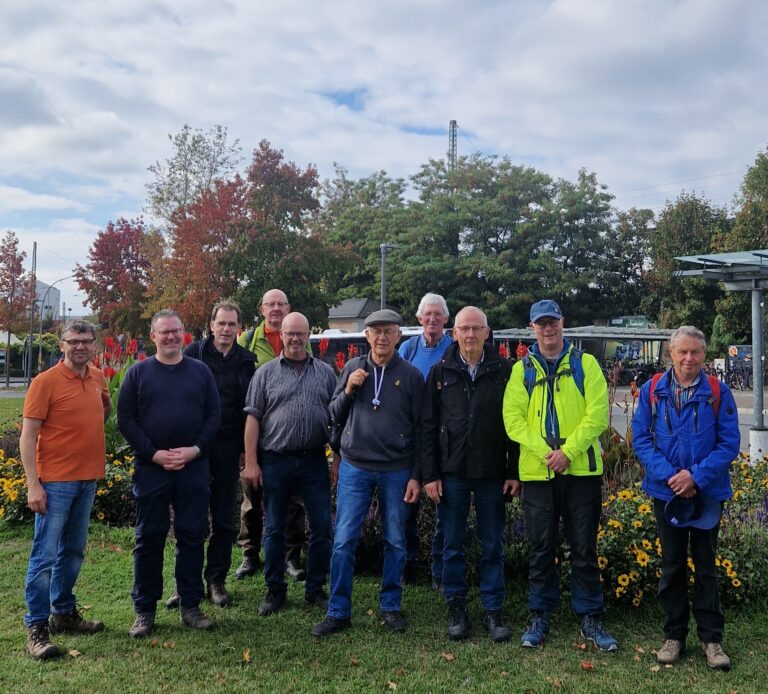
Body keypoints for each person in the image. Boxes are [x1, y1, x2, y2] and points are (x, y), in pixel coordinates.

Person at [503, 299, 618, 651]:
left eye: (553, 322)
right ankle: (539, 614)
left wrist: (567, 453)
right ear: (532, 328)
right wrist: (546, 454)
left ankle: (590, 617)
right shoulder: (521, 370)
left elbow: (598, 414)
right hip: (538, 474)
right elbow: (513, 420)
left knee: (584, 547)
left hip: (580, 471)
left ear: (562, 324)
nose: (548, 328)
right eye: (541, 323)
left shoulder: (586, 365)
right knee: (541, 547)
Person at [632, 325, 739, 670]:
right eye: (682, 352)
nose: (688, 358)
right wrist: (671, 477)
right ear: (671, 354)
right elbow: (641, 439)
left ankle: (711, 639)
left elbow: (729, 444)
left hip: (707, 493)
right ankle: (674, 635)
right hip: (667, 494)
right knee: (672, 566)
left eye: (695, 352)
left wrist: (695, 476)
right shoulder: (652, 391)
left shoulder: (717, 392)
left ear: (703, 355)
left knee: (706, 567)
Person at [312, 309, 423, 637]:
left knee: (395, 540)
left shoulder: (412, 376)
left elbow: (422, 429)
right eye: (376, 331)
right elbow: (332, 414)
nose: (382, 337)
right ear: (367, 336)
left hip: (396, 469)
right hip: (355, 467)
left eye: (389, 331)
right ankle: (338, 611)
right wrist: (348, 390)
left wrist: (417, 474)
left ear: (398, 336)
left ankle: (390, 607)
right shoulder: (352, 368)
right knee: (344, 540)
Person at [118, 309, 221, 638]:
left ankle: (190, 605)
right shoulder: (138, 373)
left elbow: (213, 416)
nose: (171, 336)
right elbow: (126, 420)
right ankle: (145, 610)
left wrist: (195, 450)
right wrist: (154, 454)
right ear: (153, 336)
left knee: (191, 536)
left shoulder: (201, 372)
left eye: (176, 331)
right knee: (149, 538)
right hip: (152, 469)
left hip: (193, 467)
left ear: (184, 334)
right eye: (164, 332)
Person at [421, 307, 520, 642]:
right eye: (464, 329)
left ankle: (494, 609)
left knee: (493, 544)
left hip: (492, 472)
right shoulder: (440, 371)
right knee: (453, 544)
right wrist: (430, 474)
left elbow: (515, 426)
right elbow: (428, 427)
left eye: (477, 329)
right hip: (452, 473)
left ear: (487, 333)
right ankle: (456, 606)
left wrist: (513, 470)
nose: (471, 335)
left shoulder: (505, 371)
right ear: (454, 333)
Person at [20, 321, 110, 660]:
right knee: (45, 555)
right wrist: (33, 483)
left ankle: (63, 612)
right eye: (73, 341)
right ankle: (37, 627)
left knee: (73, 551)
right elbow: (28, 436)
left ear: (94, 345)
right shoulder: (45, 383)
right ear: (62, 345)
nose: (80, 347)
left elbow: (104, 408)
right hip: (55, 482)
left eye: (86, 341)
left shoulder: (97, 376)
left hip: (87, 478)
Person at [242, 312, 337, 618]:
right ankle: (275, 590)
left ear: (309, 335)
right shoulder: (265, 374)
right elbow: (253, 418)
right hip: (275, 460)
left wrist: (337, 458)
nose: (295, 339)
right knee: (274, 528)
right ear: (280, 335)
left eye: (300, 333)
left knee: (322, 527)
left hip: (313, 460)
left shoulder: (325, 373)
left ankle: (315, 589)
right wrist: (252, 462)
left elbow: (338, 418)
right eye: (289, 334)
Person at [162, 301, 255, 608]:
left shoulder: (246, 361)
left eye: (232, 324)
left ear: (238, 328)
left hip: (228, 445)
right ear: (211, 325)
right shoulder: (193, 354)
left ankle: (216, 579)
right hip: (195, 447)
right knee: (190, 518)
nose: (226, 329)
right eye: (221, 323)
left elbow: (249, 409)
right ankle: (185, 584)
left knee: (224, 518)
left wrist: (246, 449)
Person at [234, 288, 307, 581]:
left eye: (281, 304)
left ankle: (292, 558)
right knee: (251, 498)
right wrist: (243, 446)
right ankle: (250, 555)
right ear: (262, 309)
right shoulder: (247, 341)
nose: (276, 308)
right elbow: (238, 391)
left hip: (287, 438)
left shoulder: (299, 338)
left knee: (292, 501)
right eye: (270, 304)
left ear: (288, 307)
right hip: (255, 434)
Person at [398, 292, 453, 587]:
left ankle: (438, 570)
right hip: (411, 437)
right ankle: (408, 565)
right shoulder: (407, 349)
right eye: (427, 315)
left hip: (443, 439)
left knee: (444, 507)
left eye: (438, 315)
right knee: (408, 505)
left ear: (445, 319)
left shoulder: (453, 349)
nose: (432, 319)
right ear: (419, 319)